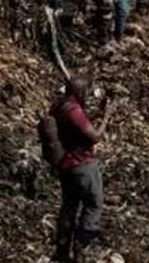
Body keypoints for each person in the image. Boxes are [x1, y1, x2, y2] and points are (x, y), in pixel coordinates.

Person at [49, 76, 106, 262]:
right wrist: (107, 117)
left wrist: (97, 114)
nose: (88, 96)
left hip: (65, 166)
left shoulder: (59, 106)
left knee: (69, 206)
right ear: (80, 92)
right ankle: (81, 246)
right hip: (82, 165)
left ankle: (62, 249)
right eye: (86, 93)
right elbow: (94, 136)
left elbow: (75, 128)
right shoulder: (74, 111)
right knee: (93, 203)